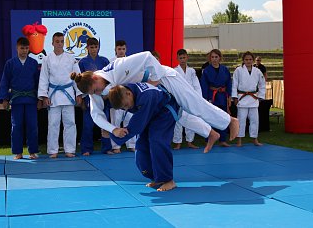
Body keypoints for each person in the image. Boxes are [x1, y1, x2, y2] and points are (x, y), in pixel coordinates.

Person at [71, 51, 239, 154]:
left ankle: (229, 120)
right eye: (93, 93)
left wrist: (156, 79)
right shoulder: (94, 91)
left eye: (95, 89)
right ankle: (211, 133)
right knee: (178, 114)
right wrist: (112, 129)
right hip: (152, 90)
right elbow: (96, 115)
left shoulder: (118, 66)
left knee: (192, 104)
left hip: (164, 78)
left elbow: (147, 57)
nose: (97, 94)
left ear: (95, 77)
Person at [108, 82, 179, 191]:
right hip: (152, 112)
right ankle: (157, 177)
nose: (126, 109)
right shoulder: (125, 92)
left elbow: (137, 125)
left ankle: (168, 180)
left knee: (157, 141)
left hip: (165, 111)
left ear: (128, 94)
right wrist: (110, 129)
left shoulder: (146, 97)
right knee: (141, 144)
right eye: (123, 108)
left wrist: (116, 136)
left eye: (126, 105)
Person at [38, 32, 82, 158]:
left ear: (64, 42)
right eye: (57, 41)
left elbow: (77, 77)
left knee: (70, 123)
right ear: (52, 43)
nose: (59, 43)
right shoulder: (47, 59)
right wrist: (44, 96)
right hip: (53, 95)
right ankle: (53, 150)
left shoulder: (71, 58)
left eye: (61, 41)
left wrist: (79, 93)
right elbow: (44, 78)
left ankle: (70, 149)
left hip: (68, 94)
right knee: (53, 123)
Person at [0, 37, 40, 160]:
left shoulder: (33, 63)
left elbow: (38, 82)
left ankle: (32, 151)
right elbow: (4, 81)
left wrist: (40, 99)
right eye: (22, 48)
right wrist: (5, 99)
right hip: (16, 99)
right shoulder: (10, 63)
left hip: (31, 99)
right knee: (16, 125)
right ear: (17, 48)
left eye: (26, 48)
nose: (24, 50)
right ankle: (18, 152)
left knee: (32, 125)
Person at [78, 37, 112, 156]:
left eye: (95, 47)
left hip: (103, 96)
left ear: (98, 47)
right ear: (87, 48)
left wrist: (108, 94)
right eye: (91, 47)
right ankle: (86, 149)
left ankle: (107, 147)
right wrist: (82, 99)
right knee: (88, 124)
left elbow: (109, 78)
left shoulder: (104, 61)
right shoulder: (82, 62)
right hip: (89, 96)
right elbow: (80, 82)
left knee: (105, 121)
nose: (93, 49)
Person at [232, 51, 266, 147]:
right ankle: (239, 140)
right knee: (241, 120)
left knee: (255, 120)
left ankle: (255, 139)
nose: (248, 61)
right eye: (246, 59)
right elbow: (234, 84)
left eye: (250, 59)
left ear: (253, 60)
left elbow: (262, 84)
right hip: (242, 98)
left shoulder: (257, 71)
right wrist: (234, 97)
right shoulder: (238, 70)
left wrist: (260, 96)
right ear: (243, 60)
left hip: (253, 98)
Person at [108, 40, 136, 153]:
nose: (121, 51)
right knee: (115, 120)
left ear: (126, 49)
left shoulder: (131, 61)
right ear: (115, 49)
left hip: (128, 94)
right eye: (119, 49)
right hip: (115, 94)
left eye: (123, 49)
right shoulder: (110, 62)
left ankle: (131, 144)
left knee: (130, 120)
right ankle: (116, 146)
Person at [201, 49, 232, 147]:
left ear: (220, 58)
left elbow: (229, 83)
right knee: (210, 118)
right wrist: (205, 99)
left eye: (216, 57)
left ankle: (222, 140)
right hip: (212, 96)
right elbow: (204, 85)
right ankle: (209, 139)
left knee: (223, 117)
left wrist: (229, 96)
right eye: (212, 57)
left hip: (222, 96)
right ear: (210, 58)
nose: (214, 59)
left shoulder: (225, 69)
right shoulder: (206, 70)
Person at [172, 49, 201, 150]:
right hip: (179, 98)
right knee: (178, 121)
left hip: (191, 98)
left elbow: (196, 85)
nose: (182, 60)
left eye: (184, 57)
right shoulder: (175, 71)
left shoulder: (192, 71)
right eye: (180, 58)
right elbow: (174, 85)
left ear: (187, 57)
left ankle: (190, 141)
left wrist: (198, 97)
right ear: (177, 59)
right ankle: (178, 142)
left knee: (190, 119)